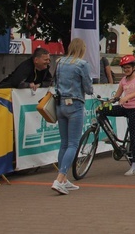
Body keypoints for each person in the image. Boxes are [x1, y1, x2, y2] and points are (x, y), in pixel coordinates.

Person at [51, 38, 93, 195]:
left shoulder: (60, 62)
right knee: (73, 144)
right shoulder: (82, 64)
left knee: (64, 143)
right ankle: (60, 178)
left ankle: (64, 178)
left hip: (60, 103)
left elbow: (55, 81)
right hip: (75, 104)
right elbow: (88, 87)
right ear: (82, 49)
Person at [99, 55, 135, 176]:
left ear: (134, 67)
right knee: (102, 111)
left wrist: (126, 97)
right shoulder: (123, 80)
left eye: (128, 67)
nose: (126, 70)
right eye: (124, 68)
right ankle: (110, 136)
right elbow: (117, 95)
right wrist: (107, 102)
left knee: (133, 135)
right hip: (125, 108)